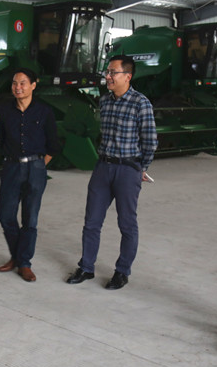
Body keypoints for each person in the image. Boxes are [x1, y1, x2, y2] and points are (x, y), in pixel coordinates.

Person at [66, 54, 158, 289]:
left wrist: (141, 168)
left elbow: (150, 141)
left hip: (128, 169)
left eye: (113, 72)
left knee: (127, 224)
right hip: (103, 168)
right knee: (91, 221)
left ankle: (122, 272)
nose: (108, 76)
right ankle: (86, 268)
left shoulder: (141, 103)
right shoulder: (105, 101)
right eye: (107, 72)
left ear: (127, 76)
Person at [0, 68, 60, 282]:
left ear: (33, 85)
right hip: (11, 167)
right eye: (15, 83)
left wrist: (38, 165)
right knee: (6, 216)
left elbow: (53, 144)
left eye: (23, 83)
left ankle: (24, 263)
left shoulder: (44, 111)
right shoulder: (4, 111)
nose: (18, 87)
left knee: (30, 219)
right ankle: (16, 256)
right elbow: (1, 141)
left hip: (35, 168)